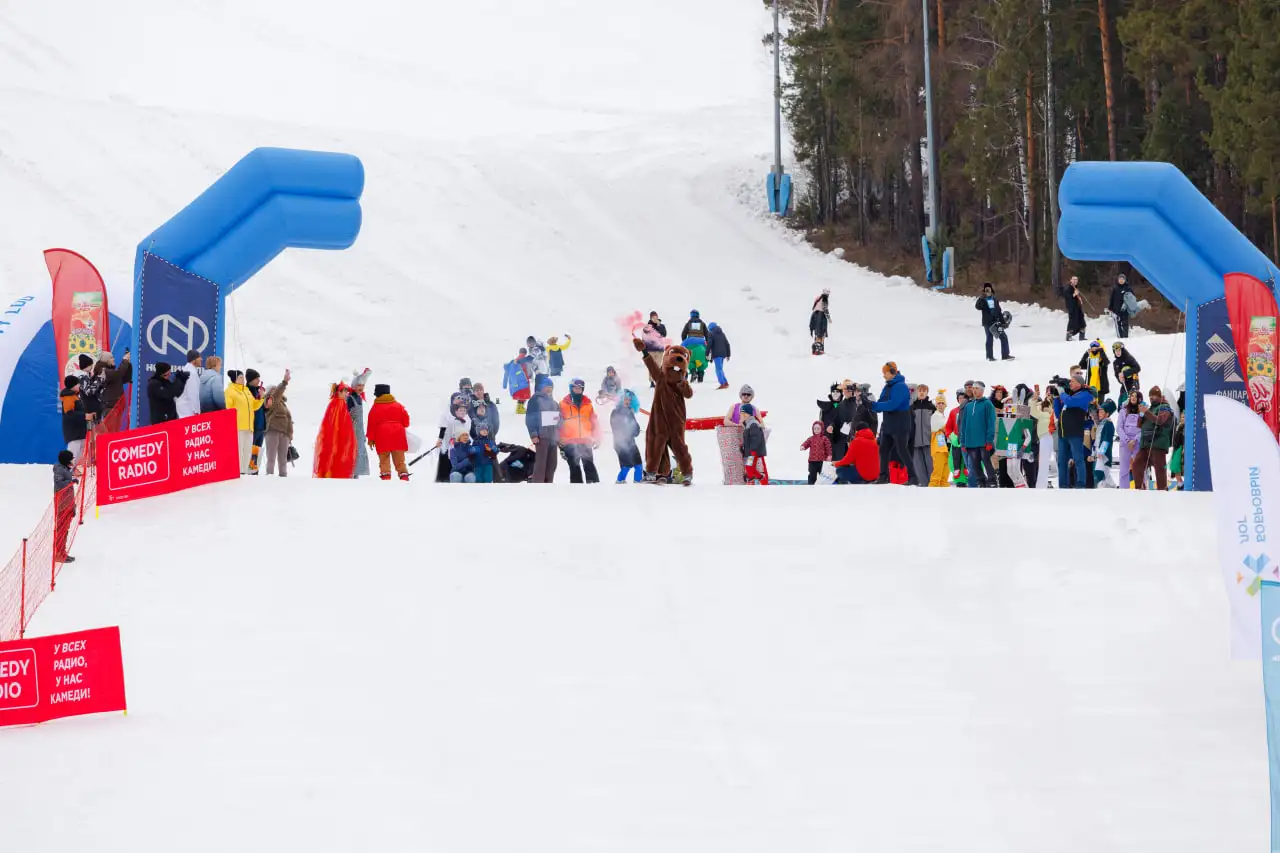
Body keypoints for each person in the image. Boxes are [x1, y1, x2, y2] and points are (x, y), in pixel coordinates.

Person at [872, 361, 915, 485]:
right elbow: (881, 403)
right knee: (883, 450)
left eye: (885, 373)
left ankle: (912, 477)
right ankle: (883, 476)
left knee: (902, 450)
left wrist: (875, 405)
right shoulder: (887, 386)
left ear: (892, 372)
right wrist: (871, 405)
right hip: (888, 425)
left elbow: (892, 404)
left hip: (900, 424)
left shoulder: (901, 386)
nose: (883, 376)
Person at [1052, 376, 1094, 489]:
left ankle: (1080, 484)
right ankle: (1063, 485)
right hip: (1063, 432)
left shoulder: (1085, 394)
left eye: (1072, 381)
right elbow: (1058, 413)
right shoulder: (1070, 396)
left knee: (1078, 458)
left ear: (1079, 384)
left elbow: (1070, 402)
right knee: (1061, 461)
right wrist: (1056, 398)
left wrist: (1062, 393)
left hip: (1075, 431)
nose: (1070, 383)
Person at [366, 383, 412, 481]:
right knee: (400, 461)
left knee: (384, 461)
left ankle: (386, 479)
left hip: (382, 437)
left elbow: (371, 424)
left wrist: (371, 439)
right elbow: (406, 422)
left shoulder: (375, 408)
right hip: (398, 436)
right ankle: (404, 479)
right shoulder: (398, 406)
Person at [559, 377, 600, 484]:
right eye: (575, 388)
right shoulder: (563, 404)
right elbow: (558, 424)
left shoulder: (588, 404)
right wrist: (559, 441)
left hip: (585, 440)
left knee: (589, 464)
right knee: (574, 466)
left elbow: (594, 422)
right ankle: (576, 488)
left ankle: (594, 486)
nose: (578, 390)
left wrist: (597, 437)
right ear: (571, 388)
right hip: (569, 441)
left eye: (580, 388)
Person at [1133, 386, 1174, 490]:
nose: (1152, 398)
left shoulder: (1164, 407)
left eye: (1154, 396)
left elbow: (1160, 420)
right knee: (1137, 464)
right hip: (1146, 444)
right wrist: (1141, 414)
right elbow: (1139, 425)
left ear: (1159, 396)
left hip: (1158, 444)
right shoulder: (1150, 408)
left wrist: (1146, 412)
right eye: (1150, 396)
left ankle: (1162, 490)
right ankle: (1139, 488)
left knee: (1160, 470)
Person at [959, 381, 998, 488]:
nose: (974, 390)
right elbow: (964, 424)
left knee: (986, 461)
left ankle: (992, 481)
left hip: (983, 441)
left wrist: (989, 440)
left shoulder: (987, 404)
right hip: (971, 441)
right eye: (973, 388)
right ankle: (981, 481)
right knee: (975, 464)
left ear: (982, 390)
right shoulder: (968, 406)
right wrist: (963, 442)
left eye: (977, 388)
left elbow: (991, 423)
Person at [224, 370, 263, 474]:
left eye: (243, 377)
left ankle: (244, 472)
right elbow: (228, 407)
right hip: (238, 426)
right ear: (235, 379)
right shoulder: (230, 391)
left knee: (247, 451)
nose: (243, 379)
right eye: (240, 377)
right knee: (239, 451)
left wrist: (260, 398)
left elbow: (254, 405)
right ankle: (237, 472)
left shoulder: (246, 391)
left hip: (249, 426)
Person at [526, 376, 560, 483]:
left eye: (551, 387)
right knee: (541, 463)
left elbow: (559, 419)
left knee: (552, 463)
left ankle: (548, 484)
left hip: (553, 438)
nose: (549, 389)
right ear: (541, 387)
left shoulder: (554, 403)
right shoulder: (535, 400)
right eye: (547, 386)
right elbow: (530, 418)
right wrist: (533, 434)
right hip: (542, 437)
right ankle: (538, 484)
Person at [434, 397, 473, 483]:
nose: (462, 412)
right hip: (454, 446)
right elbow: (449, 434)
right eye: (460, 410)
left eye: (464, 411)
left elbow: (468, 433)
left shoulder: (467, 421)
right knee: (454, 463)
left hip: (464, 447)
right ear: (456, 412)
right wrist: (448, 444)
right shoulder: (452, 422)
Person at [262, 371, 293, 477]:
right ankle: (269, 476)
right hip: (272, 431)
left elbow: (288, 420)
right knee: (271, 457)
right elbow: (277, 393)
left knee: (283, 459)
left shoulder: (283, 404)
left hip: (284, 434)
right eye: (274, 390)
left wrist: (290, 435)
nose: (277, 392)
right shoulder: (269, 401)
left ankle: (283, 476)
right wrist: (284, 382)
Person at [611, 390, 644, 483]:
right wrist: (630, 431)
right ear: (621, 399)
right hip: (620, 443)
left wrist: (635, 430)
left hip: (631, 442)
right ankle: (620, 481)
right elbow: (616, 428)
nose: (628, 401)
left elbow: (635, 427)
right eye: (625, 399)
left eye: (630, 399)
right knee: (627, 465)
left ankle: (638, 481)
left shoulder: (630, 411)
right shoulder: (616, 412)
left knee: (638, 464)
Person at [907, 383, 937, 487]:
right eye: (920, 390)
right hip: (915, 440)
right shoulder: (912, 407)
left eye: (924, 391)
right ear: (917, 392)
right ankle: (923, 484)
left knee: (930, 463)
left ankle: (932, 483)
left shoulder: (931, 407)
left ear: (927, 392)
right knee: (918, 464)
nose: (922, 392)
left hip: (928, 440)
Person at [53, 450, 79, 564]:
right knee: (61, 530)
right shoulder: (59, 470)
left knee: (65, 530)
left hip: (67, 504)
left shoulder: (65, 469)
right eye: (71, 459)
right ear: (66, 460)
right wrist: (71, 481)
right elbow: (59, 483)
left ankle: (62, 552)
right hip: (62, 505)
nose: (73, 460)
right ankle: (59, 554)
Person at [976, 282, 1013, 361]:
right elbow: (978, 307)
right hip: (987, 323)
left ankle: (1005, 355)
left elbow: (999, 312)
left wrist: (1003, 322)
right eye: (986, 290)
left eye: (989, 289)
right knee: (989, 338)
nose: (988, 291)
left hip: (996, 323)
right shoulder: (982, 300)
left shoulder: (995, 300)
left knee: (1003, 337)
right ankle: (989, 357)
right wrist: (981, 297)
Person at [348, 369, 372, 478]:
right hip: (351, 431)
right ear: (354, 386)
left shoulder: (359, 398)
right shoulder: (350, 398)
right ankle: (350, 474)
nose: (361, 388)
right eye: (359, 386)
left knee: (358, 453)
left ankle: (355, 475)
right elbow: (345, 414)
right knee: (352, 453)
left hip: (359, 431)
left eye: (362, 386)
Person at [60, 376, 90, 464]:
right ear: (72, 386)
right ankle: (64, 472)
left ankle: (71, 472)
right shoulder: (69, 397)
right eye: (77, 384)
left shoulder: (75, 396)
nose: (79, 385)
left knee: (79, 453)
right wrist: (85, 416)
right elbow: (69, 413)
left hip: (79, 431)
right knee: (72, 453)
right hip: (73, 431)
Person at [95, 349, 132, 420]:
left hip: (115, 406)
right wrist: (125, 360)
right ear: (106, 360)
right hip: (110, 407)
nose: (114, 359)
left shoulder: (111, 372)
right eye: (111, 357)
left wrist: (129, 364)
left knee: (114, 429)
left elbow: (124, 379)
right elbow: (119, 374)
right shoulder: (104, 371)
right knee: (111, 430)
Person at [1116, 390, 1142, 489]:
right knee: (1124, 470)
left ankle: (1141, 489)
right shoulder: (1123, 411)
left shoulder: (1142, 412)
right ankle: (1123, 490)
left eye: (1135, 396)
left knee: (1139, 468)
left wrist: (1135, 440)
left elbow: (1143, 428)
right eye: (1132, 396)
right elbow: (1119, 427)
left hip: (1137, 442)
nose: (1133, 398)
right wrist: (1127, 440)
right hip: (1125, 443)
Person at [741, 403, 769, 485]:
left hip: (753, 452)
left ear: (748, 413)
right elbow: (749, 440)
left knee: (749, 467)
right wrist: (744, 448)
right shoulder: (748, 424)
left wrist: (752, 450)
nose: (742, 415)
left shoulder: (753, 424)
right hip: (752, 451)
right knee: (751, 467)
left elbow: (756, 438)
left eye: (743, 413)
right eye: (741, 413)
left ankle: (750, 480)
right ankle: (761, 479)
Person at [175, 349, 207, 419]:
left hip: (183, 409)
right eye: (199, 358)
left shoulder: (185, 370)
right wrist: (196, 411)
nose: (201, 359)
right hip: (189, 411)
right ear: (194, 360)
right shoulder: (191, 373)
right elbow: (193, 394)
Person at [928, 392, 951, 487]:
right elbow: (937, 428)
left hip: (944, 446)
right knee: (938, 471)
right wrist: (949, 428)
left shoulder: (943, 416)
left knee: (945, 470)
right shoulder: (935, 416)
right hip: (938, 446)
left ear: (945, 405)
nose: (941, 405)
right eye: (939, 403)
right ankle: (933, 487)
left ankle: (944, 486)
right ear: (936, 405)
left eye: (942, 403)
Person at [707, 322, 731, 389]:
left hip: (716, 354)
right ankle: (725, 382)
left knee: (718, 369)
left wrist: (706, 353)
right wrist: (728, 355)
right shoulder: (722, 334)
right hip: (723, 354)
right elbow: (727, 344)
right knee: (720, 369)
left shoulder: (711, 333)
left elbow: (709, 344)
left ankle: (722, 384)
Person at [1109, 274, 1134, 339]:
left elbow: (1132, 298)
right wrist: (1110, 308)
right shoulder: (1115, 288)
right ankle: (1120, 336)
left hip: (1125, 309)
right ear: (1118, 280)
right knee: (1118, 323)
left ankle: (1125, 336)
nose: (1121, 280)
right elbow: (1112, 299)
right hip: (1116, 309)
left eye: (1122, 279)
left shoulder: (1128, 288)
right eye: (1120, 279)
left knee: (1125, 323)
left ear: (1125, 280)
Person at [1065, 276, 1088, 341]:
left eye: (1076, 280)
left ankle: (1082, 337)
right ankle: (1068, 336)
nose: (1075, 281)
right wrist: (1074, 295)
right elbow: (1067, 296)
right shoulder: (1068, 288)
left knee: (1082, 322)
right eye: (1074, 279)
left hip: (1078, 308)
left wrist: (1079, 298)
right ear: (1071, 280)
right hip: (1072, 308)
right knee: (1072, 322)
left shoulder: (1076, 288)